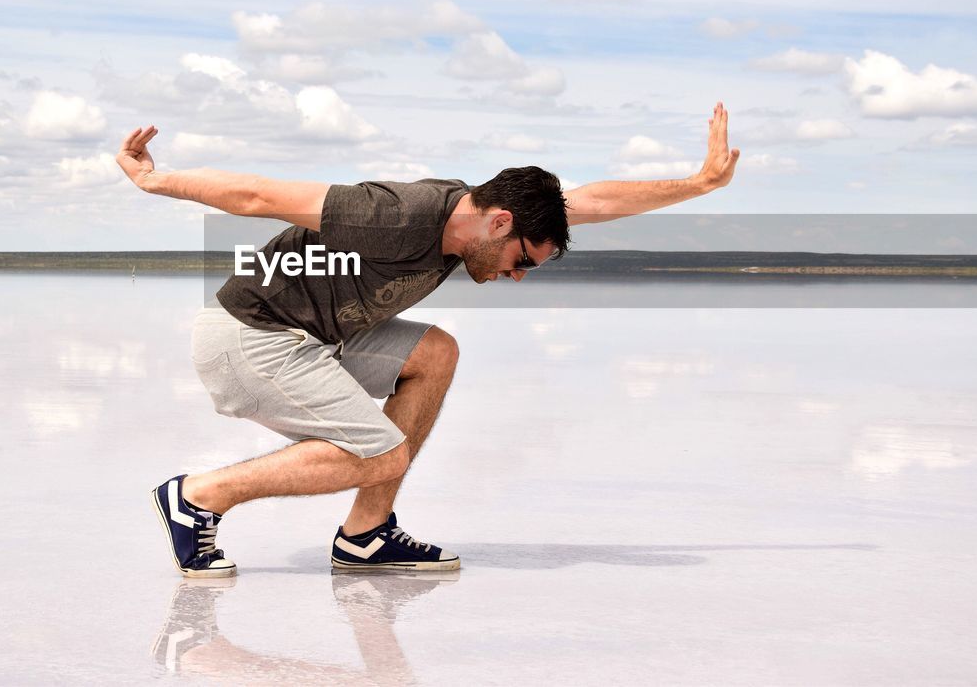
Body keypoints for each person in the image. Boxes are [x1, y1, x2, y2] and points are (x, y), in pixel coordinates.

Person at [118, 103, 739, 576]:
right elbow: (258, 196)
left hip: (313, 334)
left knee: (434, 352)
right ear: (500, 222)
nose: (516, 275)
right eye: (522, 259)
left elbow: (594, 199)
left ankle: (366, 534)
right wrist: (154, 182)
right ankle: (196, 496)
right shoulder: (395, 214)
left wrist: (700, 183)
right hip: (251, 336)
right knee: (384, 454)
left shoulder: (491, 216)